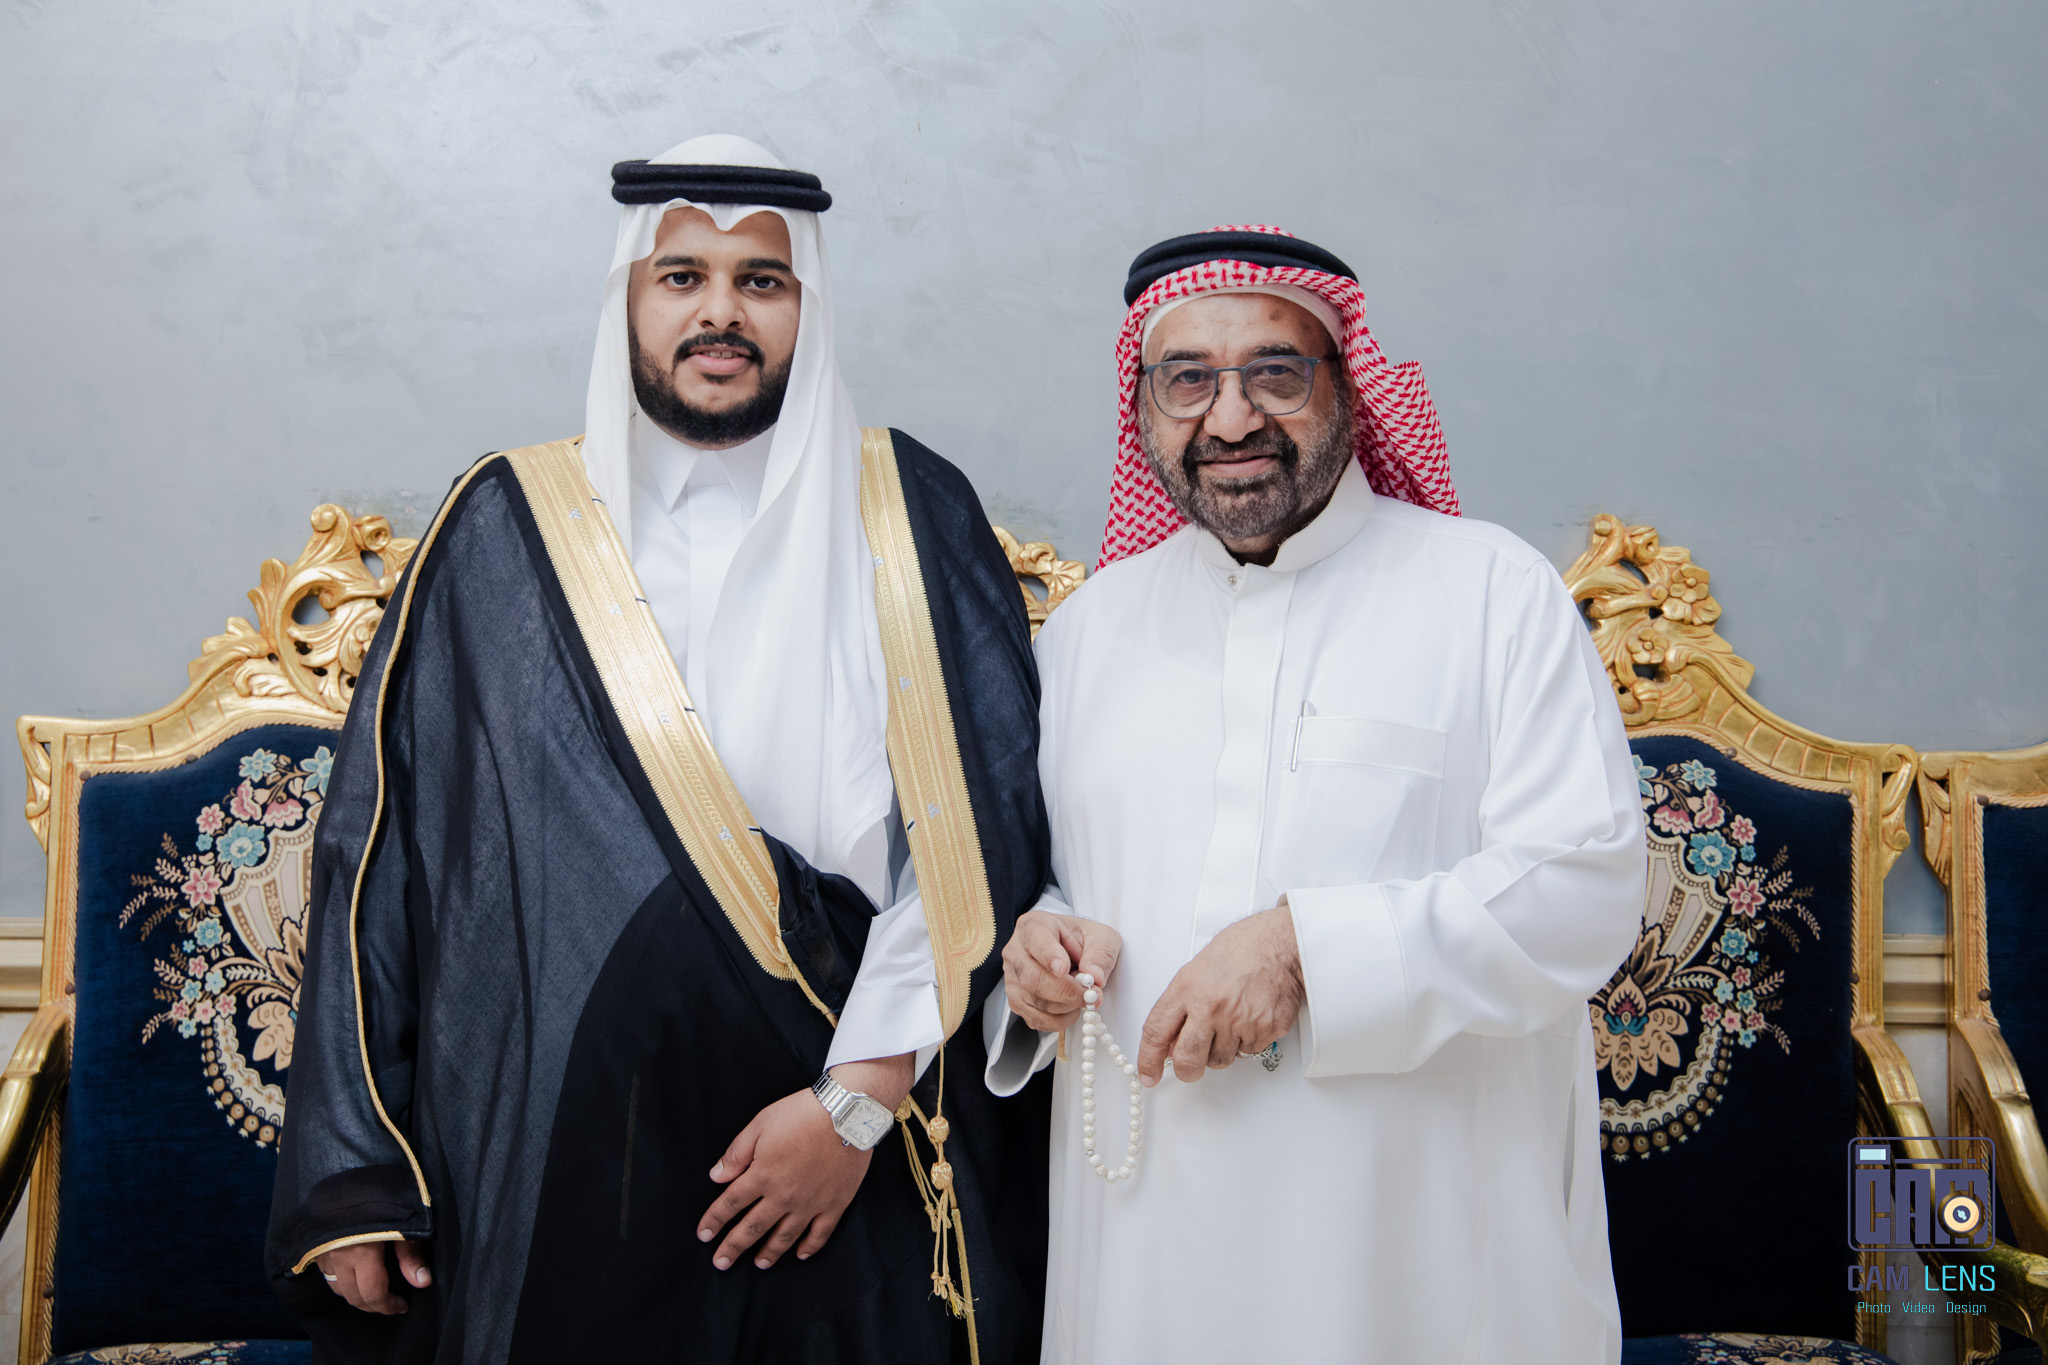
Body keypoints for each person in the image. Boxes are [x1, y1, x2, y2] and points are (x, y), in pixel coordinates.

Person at [267, 134, 1052, 1364]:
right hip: (583, 1143)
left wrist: (852, 1106)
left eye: (761, 280)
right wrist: (355, 1171)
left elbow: (981, 834)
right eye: (681, 276)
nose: (719, 313)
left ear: (808, 305)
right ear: (627, 298)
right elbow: (387, 855)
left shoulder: (911, 509)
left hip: (862, 1123)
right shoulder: (504, 527)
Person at [988, 226, 1647, 1363]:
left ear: (1346, 385)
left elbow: (1579, 887)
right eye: (1187, 379)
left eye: (1275, 373)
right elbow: (1070, 874)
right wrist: (1040, 948)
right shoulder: (1091, 629)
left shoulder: (1491, 593)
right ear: (1143, 403)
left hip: (1411, 1242)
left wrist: (1304, 949)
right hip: (1152, 1240)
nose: (1230, 418)